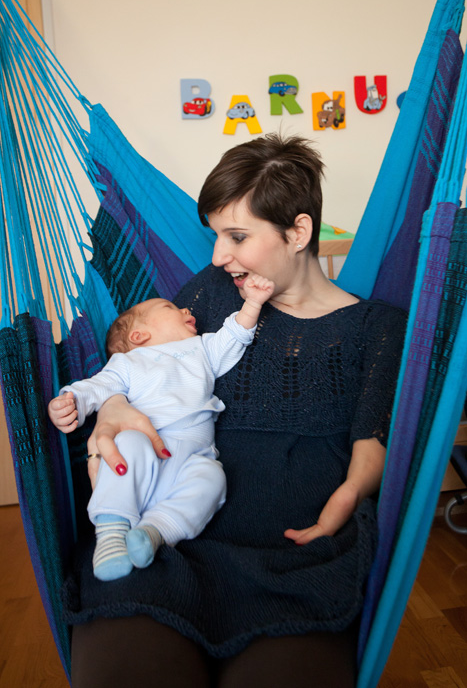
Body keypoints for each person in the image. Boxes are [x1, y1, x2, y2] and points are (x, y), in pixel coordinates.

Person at [62, 133, 407, 688]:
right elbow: (143, 360)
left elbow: (375, 435)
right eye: (216, 235)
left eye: (237, 236)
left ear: (298, 232)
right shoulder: (214, 294)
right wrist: (114, 407)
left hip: (298, 562)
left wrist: (350, 495)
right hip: (167, 541)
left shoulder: (377, 327)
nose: (218, 256)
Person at [48, 276, 274, 581]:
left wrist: (253, 303)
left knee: (213, 478)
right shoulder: (128, 363)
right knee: (128, 443)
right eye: (170, 308)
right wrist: (70, 400)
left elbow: (234, 336)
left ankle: (154, 531)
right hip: (145, 454)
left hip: (193, 459)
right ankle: (111, 532)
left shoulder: (201, 348)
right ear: (139, 336)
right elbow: (97, 387)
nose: (185, 310)